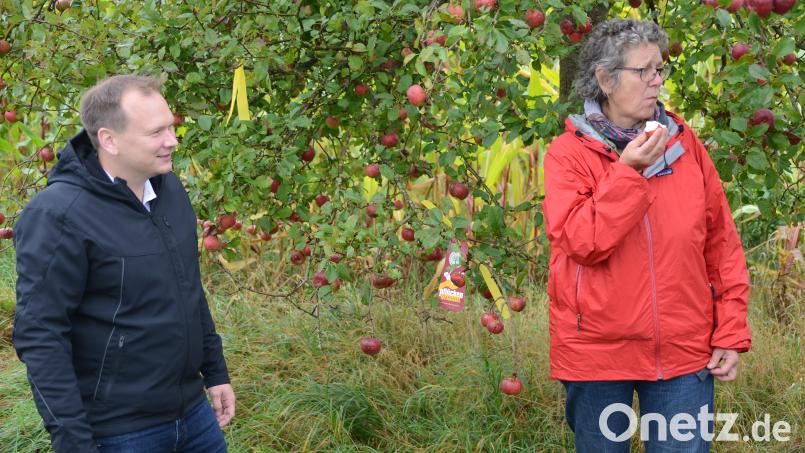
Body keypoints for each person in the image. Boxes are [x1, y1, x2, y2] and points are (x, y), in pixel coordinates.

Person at [542, 19, 751, 452]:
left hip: (682, 353)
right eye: (645, 71)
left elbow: (721, 243)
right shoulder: (568, 155)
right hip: (597, 354)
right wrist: (628, 172)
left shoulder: (683, 143)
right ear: (605, 78)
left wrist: (729, 329)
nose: (657, 80)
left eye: (660, 69)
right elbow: (583, 241)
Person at [13, 75, 235, 453]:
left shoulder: (169, 191)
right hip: (120, 432)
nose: (172, 141)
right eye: (156, 133)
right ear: (109, 139)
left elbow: (188, 288)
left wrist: (214, 372)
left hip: (194, 416)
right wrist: (75, 444)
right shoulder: (58, 215)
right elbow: (41, 337)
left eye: (171, 127)